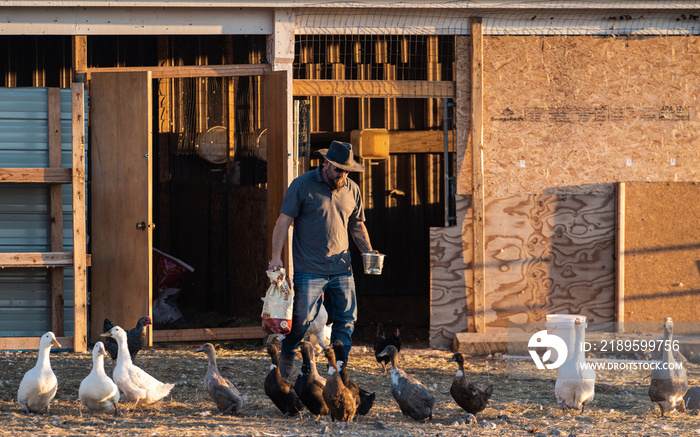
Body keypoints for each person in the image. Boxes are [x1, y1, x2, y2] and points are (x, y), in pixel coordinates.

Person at [268, 140, 378, 378]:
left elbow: (357, 225)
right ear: (326, 163)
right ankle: (288, 351)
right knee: (302, 320)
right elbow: (283, 222)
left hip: (342, 268)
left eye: (347, 170)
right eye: (339, 169)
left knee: (347, 319)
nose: (343, 174)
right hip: (310, 268)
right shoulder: (302, 185)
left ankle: (338, 368)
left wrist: (368, 251)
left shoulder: (352, 190)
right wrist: (276, 256)